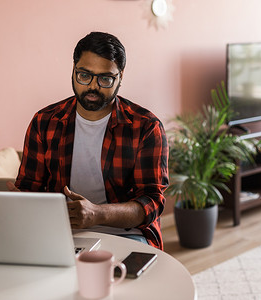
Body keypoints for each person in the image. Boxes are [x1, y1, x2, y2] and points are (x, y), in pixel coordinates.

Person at [12, 32, 169, 250]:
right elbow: (28, 189)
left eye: (105, 78)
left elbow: (151, 202)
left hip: (127, 235)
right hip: (58, 232)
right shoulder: (45, 121)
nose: (93, 86)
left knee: (118, 282)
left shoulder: (146, 127)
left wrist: (97, 214)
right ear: (73, 69)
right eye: (84, 75)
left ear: (120, 76)